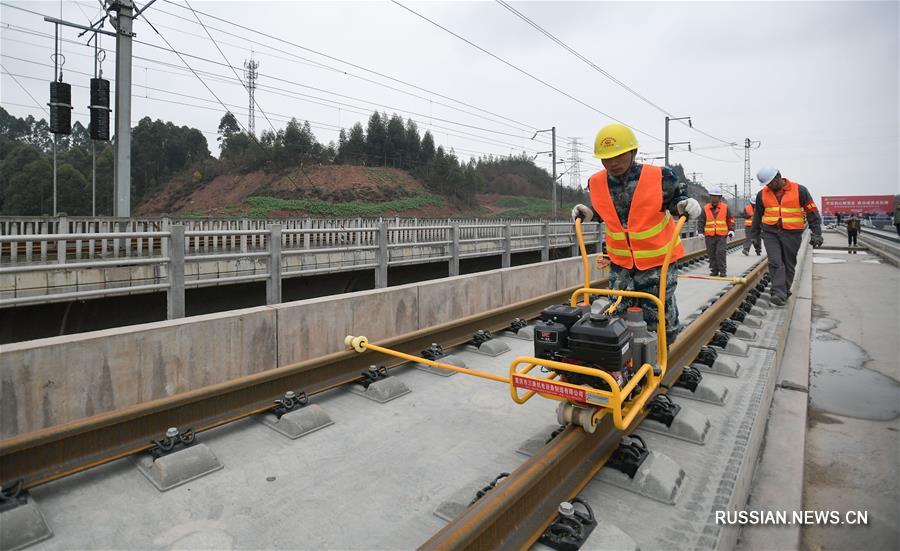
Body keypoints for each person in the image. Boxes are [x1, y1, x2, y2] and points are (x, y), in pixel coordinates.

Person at [571, 123, 701, 343]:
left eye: (619, 156)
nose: (613, 162)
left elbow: (675, 203)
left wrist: (684, 205)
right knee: (619, 309)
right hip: (620, 262)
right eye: (606, 158)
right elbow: (606, 211)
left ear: (633, 152)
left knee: (656, 311)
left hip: (657, 260)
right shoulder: (595, 182)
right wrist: (589, 213)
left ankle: (663, 352)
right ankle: (627, 359)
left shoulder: (661, 177)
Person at [748, 167, 823, 306]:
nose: (769, 186)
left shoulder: (800, 190)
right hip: (770, 232)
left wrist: (817, 233)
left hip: (792, 233)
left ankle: (784, 291)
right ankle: (777, 292)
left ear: (778, 177)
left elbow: (812, 211)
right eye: (766, 184)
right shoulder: (762, 194)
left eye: (771, 183)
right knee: (775, 261)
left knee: (789, 263)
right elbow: (757, 216)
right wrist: (755, 235)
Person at [697, 188, 735, 276]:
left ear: (720, 198)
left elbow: (730, 219)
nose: (714, 198)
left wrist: (731, 230)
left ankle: (722, 270)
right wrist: (700, 232)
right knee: (711, 253)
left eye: (716, 197)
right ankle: (714, 270)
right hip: (709, 235)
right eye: (712, 196)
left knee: (720, 252)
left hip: (721, 235)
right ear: (710, 197)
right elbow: (701, 221)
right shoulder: (705, 208)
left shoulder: (725, 208)